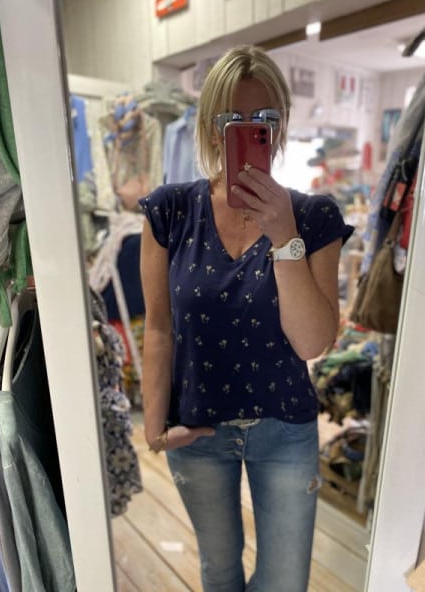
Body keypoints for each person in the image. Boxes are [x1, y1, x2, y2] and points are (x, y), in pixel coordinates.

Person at [138, 44, 353, 592]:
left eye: (264, 118)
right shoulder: (169, 210)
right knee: (220, 570)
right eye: (232, 118)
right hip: (198, 428)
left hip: (284, 429)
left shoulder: (313, 216)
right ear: (211, 128)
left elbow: (312, 344)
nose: (249, 129)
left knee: (284, 583)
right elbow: (159, 328)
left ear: (279, 128)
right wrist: (154, 425)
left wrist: (284, 235)